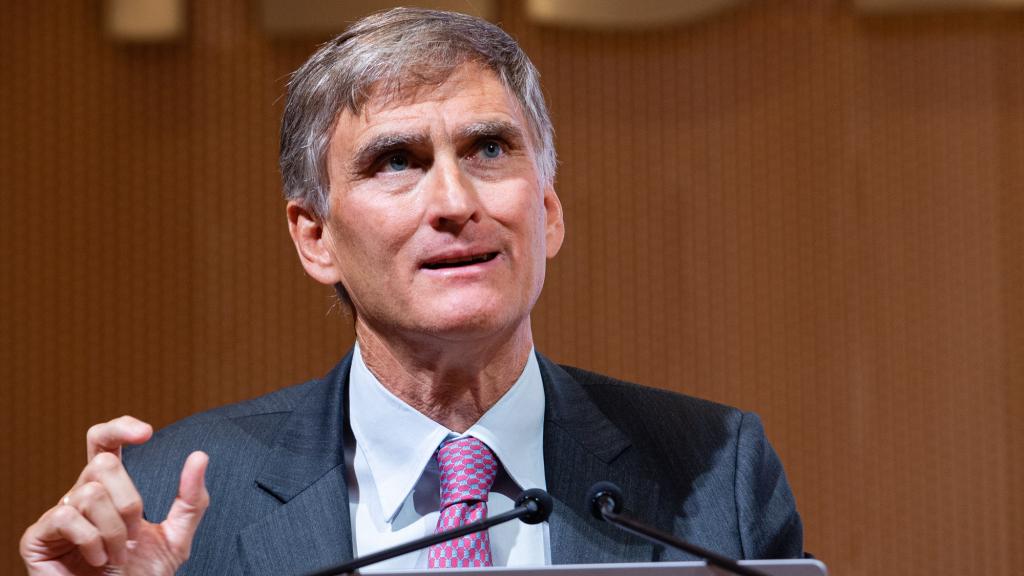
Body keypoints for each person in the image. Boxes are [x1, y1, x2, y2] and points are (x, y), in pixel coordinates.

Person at [20, 8, 804, 575]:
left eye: (490, 148)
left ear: (548, 212)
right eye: (396, 161)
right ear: (314, 238)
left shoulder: (716, 474)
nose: (455, 202)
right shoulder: (173, 498)